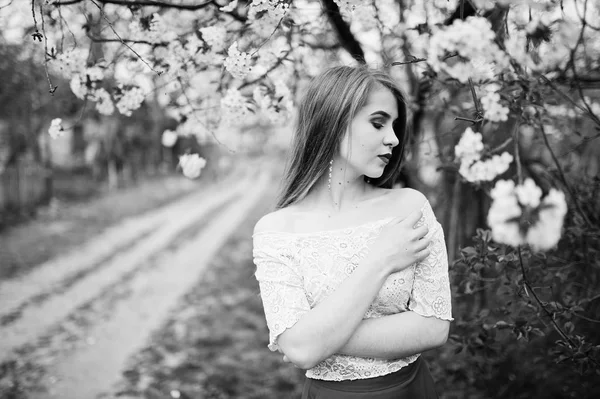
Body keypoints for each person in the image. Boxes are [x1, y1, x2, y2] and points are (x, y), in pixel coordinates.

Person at [252, 65, 453, 399]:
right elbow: (301, 349)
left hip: (408, 390)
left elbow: (434, 327)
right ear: (334, 122)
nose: (394, 138)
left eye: (395, 125)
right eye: (378, 123)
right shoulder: (276, 232)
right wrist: (380, 260)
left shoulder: (409, 208)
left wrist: (314, 337)